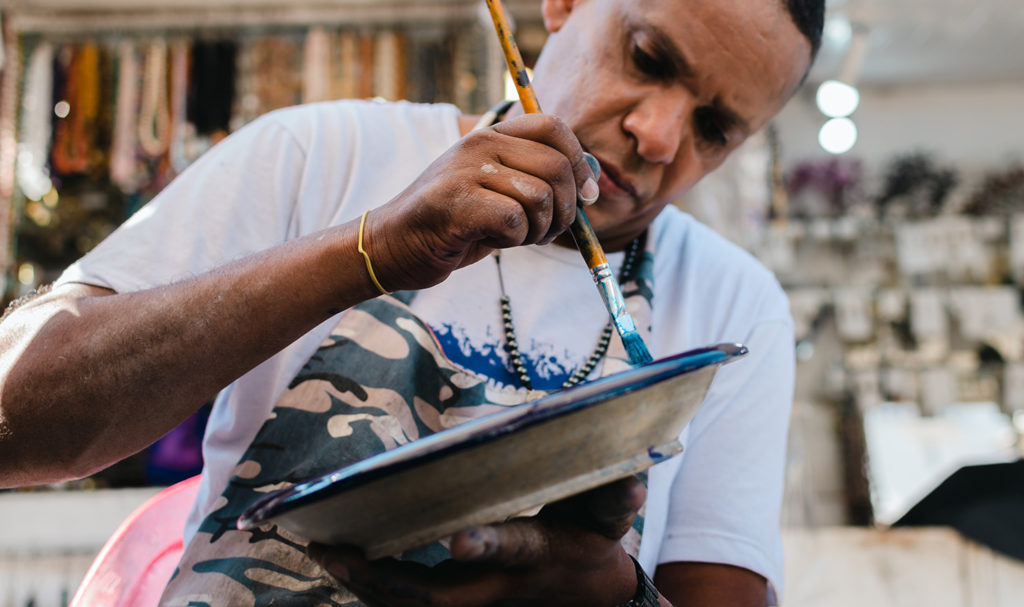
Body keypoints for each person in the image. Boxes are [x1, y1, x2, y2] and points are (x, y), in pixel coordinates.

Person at [0, 0, 823, 604]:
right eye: (646, 57)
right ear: (565, 6)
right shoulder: (317, 157)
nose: (662, 136)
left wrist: (611, 592)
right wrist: (370, 248)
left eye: (715, 127)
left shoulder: (732, 304)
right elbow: (18, 416)